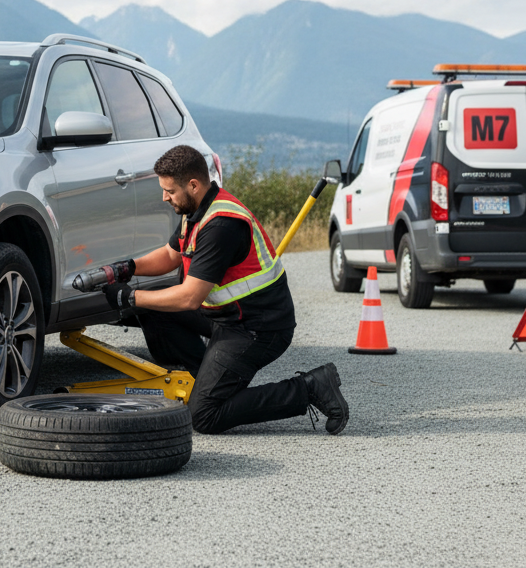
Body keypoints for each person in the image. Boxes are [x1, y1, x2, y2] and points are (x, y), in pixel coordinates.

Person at [100, 144, 350, 435]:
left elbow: (190, 297)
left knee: (204, 416)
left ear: (193, 185)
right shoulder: (196, 209)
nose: (164, 197)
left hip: (259, 328)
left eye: (169, 191)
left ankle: (310, 388)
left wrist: (129, 296)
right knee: (153, 308)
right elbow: (171, 255)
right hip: (227, 317)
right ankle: (206, 377)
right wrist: (128, 267)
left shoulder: (221, 225)